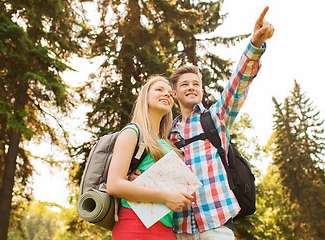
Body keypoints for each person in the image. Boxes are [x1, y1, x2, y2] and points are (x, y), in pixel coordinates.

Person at [167, 6, 275, 240]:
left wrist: (254, 46)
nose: (191, 87)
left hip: (217, 222)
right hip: (179, 227)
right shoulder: (167, 133)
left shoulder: (216, 118)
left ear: (202, 90)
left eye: (195, 83)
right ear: (174, 94)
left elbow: (238, 84)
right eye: (184, 84)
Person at [106, 76, 193, 240]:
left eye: (169, 93)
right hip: (135, 225)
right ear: (145, 97)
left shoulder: (169, 143)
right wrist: (166, 196)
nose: (167, 94)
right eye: (159, 90)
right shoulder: (132, 133)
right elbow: (114, 185)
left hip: (166, 228)